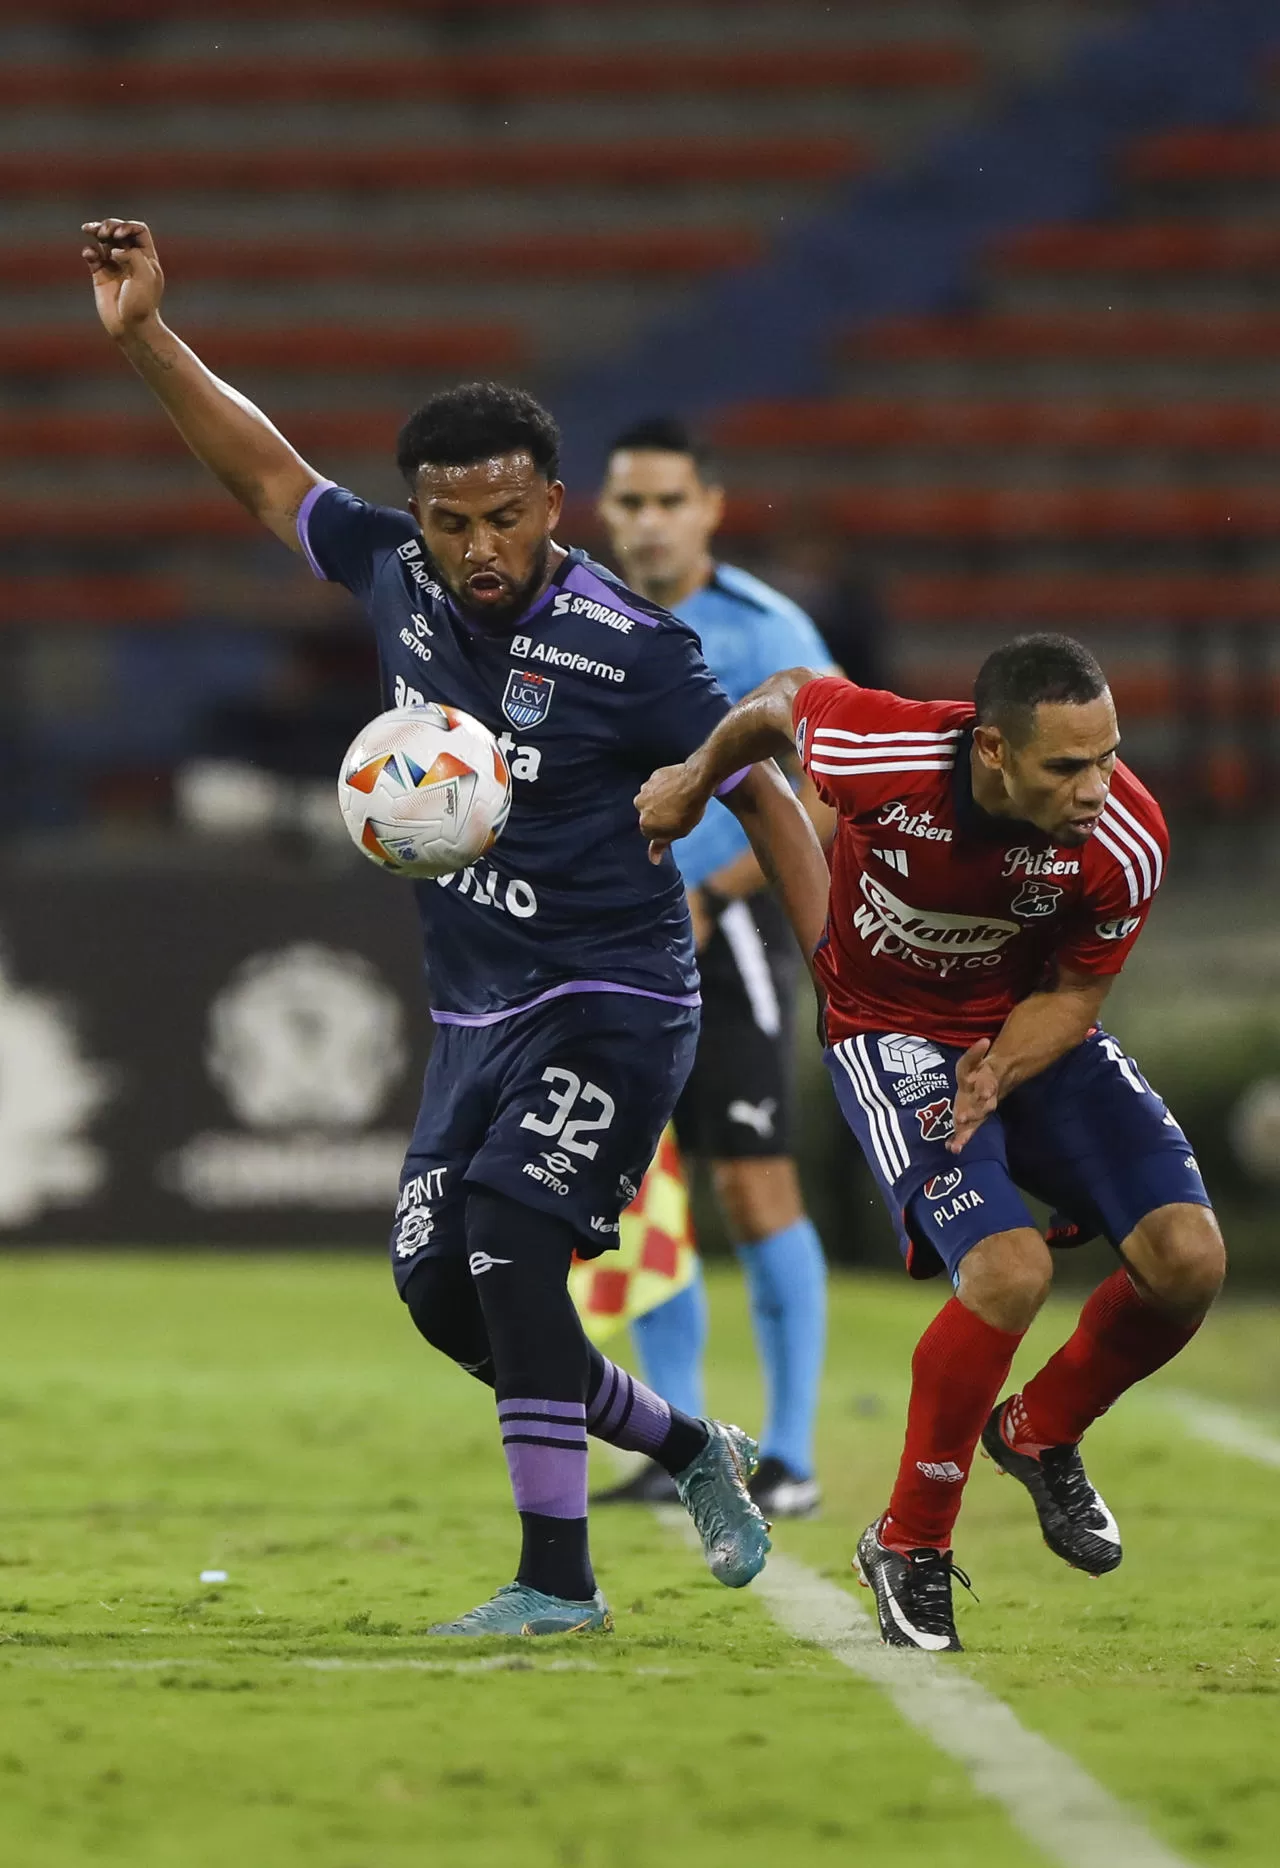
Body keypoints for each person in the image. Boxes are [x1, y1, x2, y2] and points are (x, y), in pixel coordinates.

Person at [82, 217, 831, 1637]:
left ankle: (559, 1586)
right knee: (446, 1294)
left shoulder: (632, 648)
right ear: (419, 514)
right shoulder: (398, 576)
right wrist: (142, 338)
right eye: (448, 520)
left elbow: (770, 787)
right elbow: (264, 475)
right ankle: (688, 1447)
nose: (476, 549)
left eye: (503, 518)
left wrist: (838, 974)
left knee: (506, 1233)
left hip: (616, 998)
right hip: (473, 1012)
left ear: (555, 504)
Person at [636, 633, 1224, 1651]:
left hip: (1029, 1025)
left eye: (1107, 754)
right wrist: (695, 778)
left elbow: (1078, 991)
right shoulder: (883, 749)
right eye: (1066, 766)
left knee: (1188, 1262)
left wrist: (998, 1066)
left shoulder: (1124, 833)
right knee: (1007, 1272)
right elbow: (780, 698)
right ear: (991, 750)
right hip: (888, 1031)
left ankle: (1039, 1432)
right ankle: (908, 1542)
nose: (1096, 786)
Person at [594, 418, 834, 1517]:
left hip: (721, 937)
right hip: (606, 939)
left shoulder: (762, 628)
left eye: (666, 501)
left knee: (751, 1179)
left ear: (709, 508)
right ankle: (680, 1441)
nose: (647, 521)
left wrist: (716, 892)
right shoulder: (577, 619)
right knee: (640, 1192)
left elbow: (827, 788)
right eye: (629, 502)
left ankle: (787, 1453)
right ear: (603, 511)